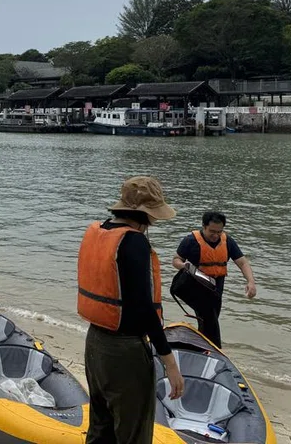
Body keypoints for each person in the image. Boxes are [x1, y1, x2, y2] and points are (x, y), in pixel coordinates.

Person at [77, 176, 185, 444]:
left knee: (100, 428)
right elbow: (145, 308)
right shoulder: (134, 242)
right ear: (144, 215)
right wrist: (169, 362)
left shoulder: (98, 231)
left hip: (95, 344)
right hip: (125, 352)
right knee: (133, 433)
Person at [172, 211, 257, 348]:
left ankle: (201, 348)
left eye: (219, 231)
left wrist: (251, 282)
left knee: (209, 320)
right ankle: (214, 349)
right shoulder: (190, 241)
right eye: (212, 231)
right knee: (209, 320)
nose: (216, 235)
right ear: (204, 226)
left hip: (216, 288)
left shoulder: (227, 241)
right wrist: (183, 266)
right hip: (195, 286)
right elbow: (176, 260)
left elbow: (242, 263)